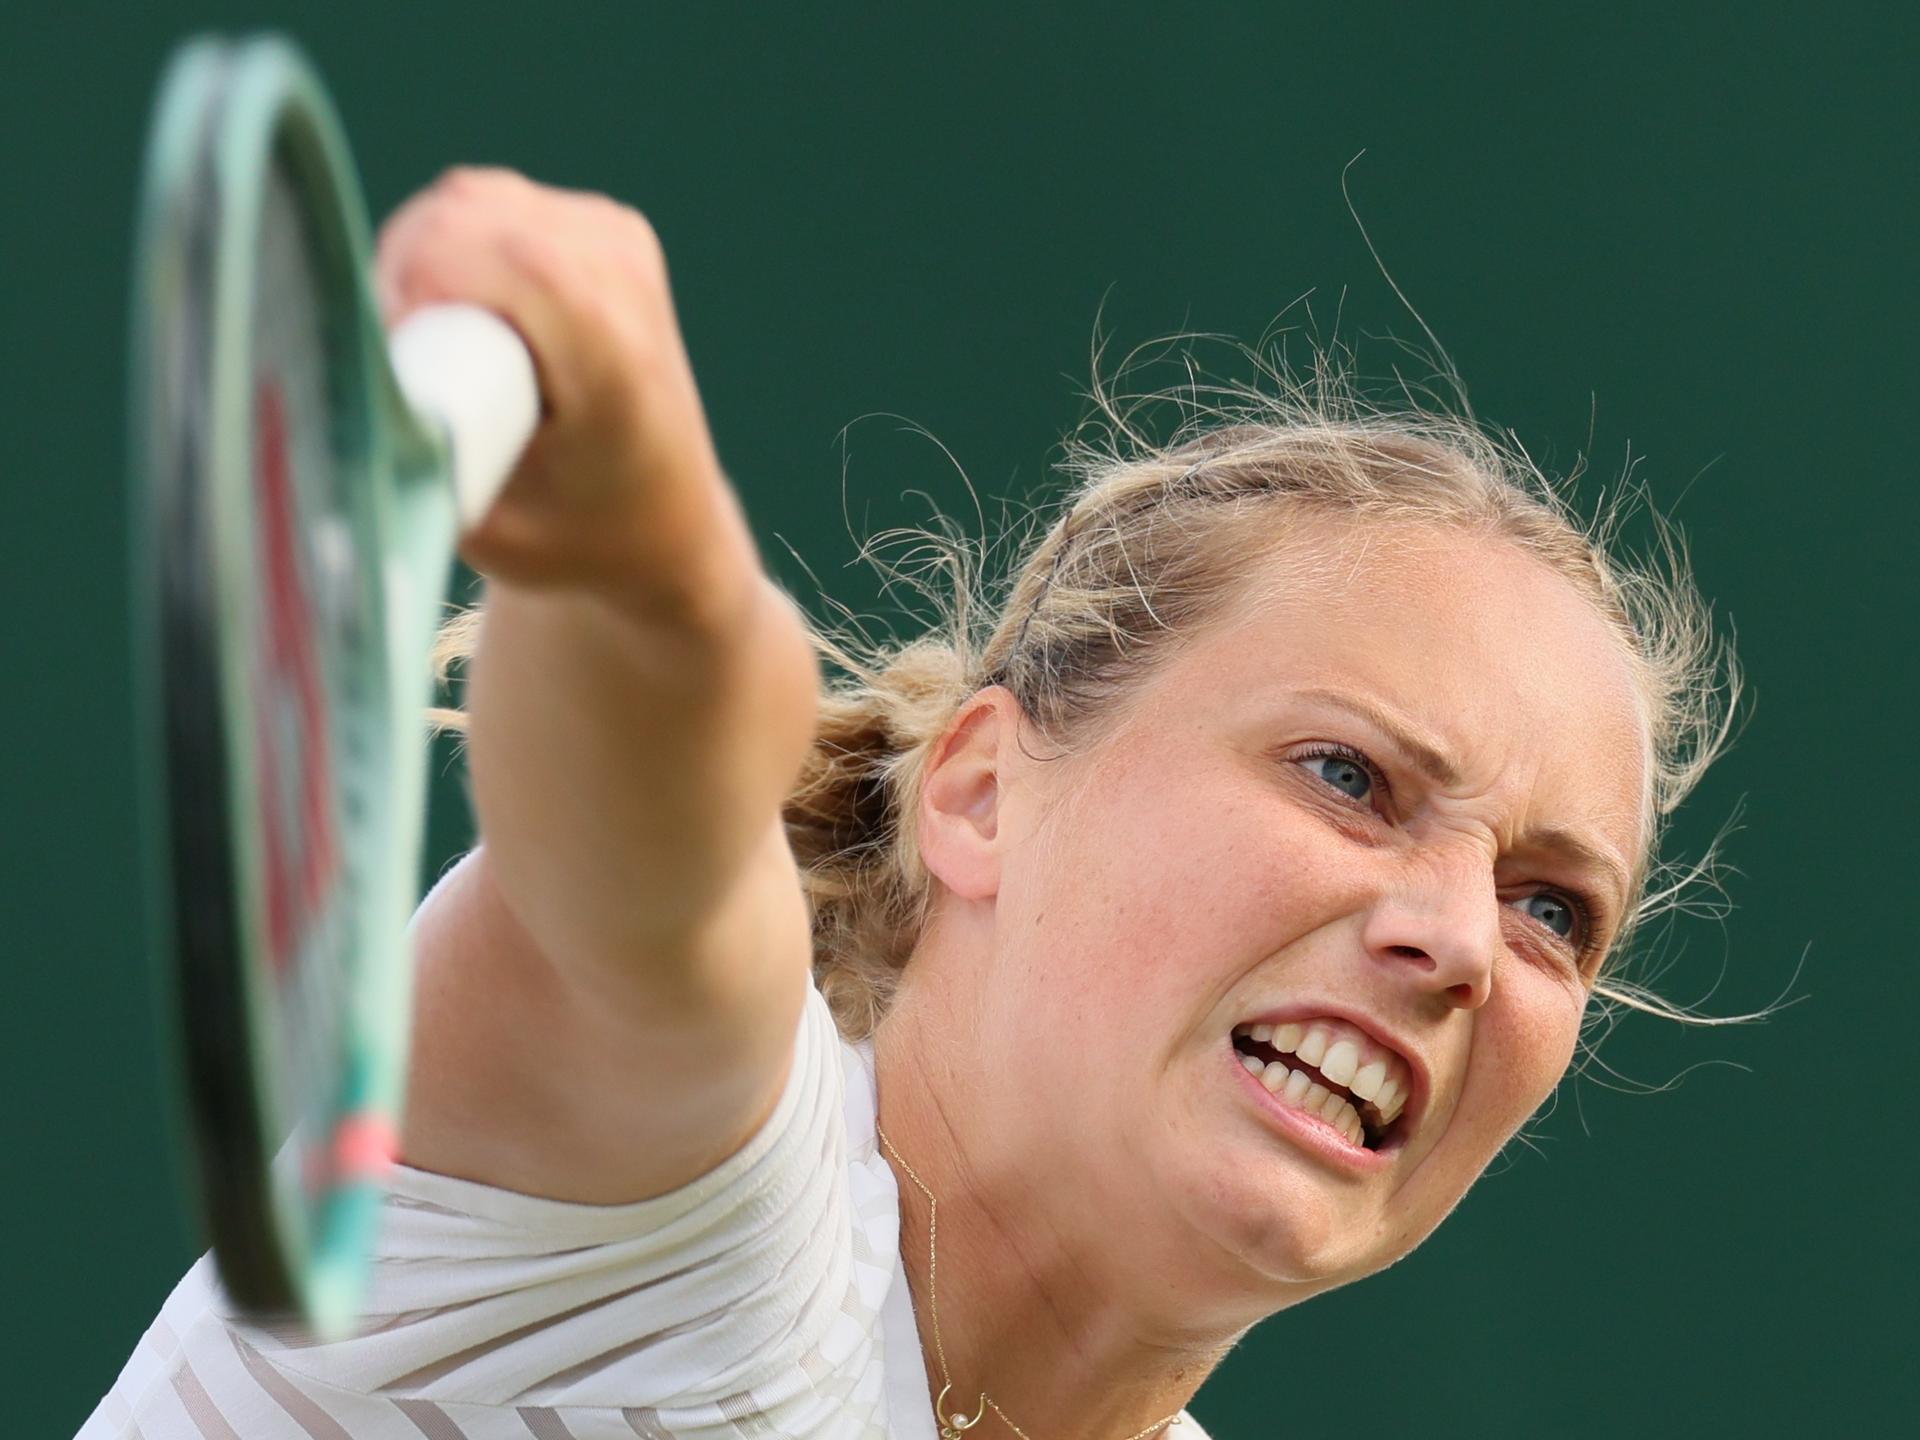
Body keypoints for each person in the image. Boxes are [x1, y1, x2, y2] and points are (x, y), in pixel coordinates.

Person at [80, 168, 1738, 1440]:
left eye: (1550, 910)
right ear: (982, 793)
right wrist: (629, 516)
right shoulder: (676, 1181)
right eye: (1348, 777)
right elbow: (652, 830)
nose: (1458, 935)